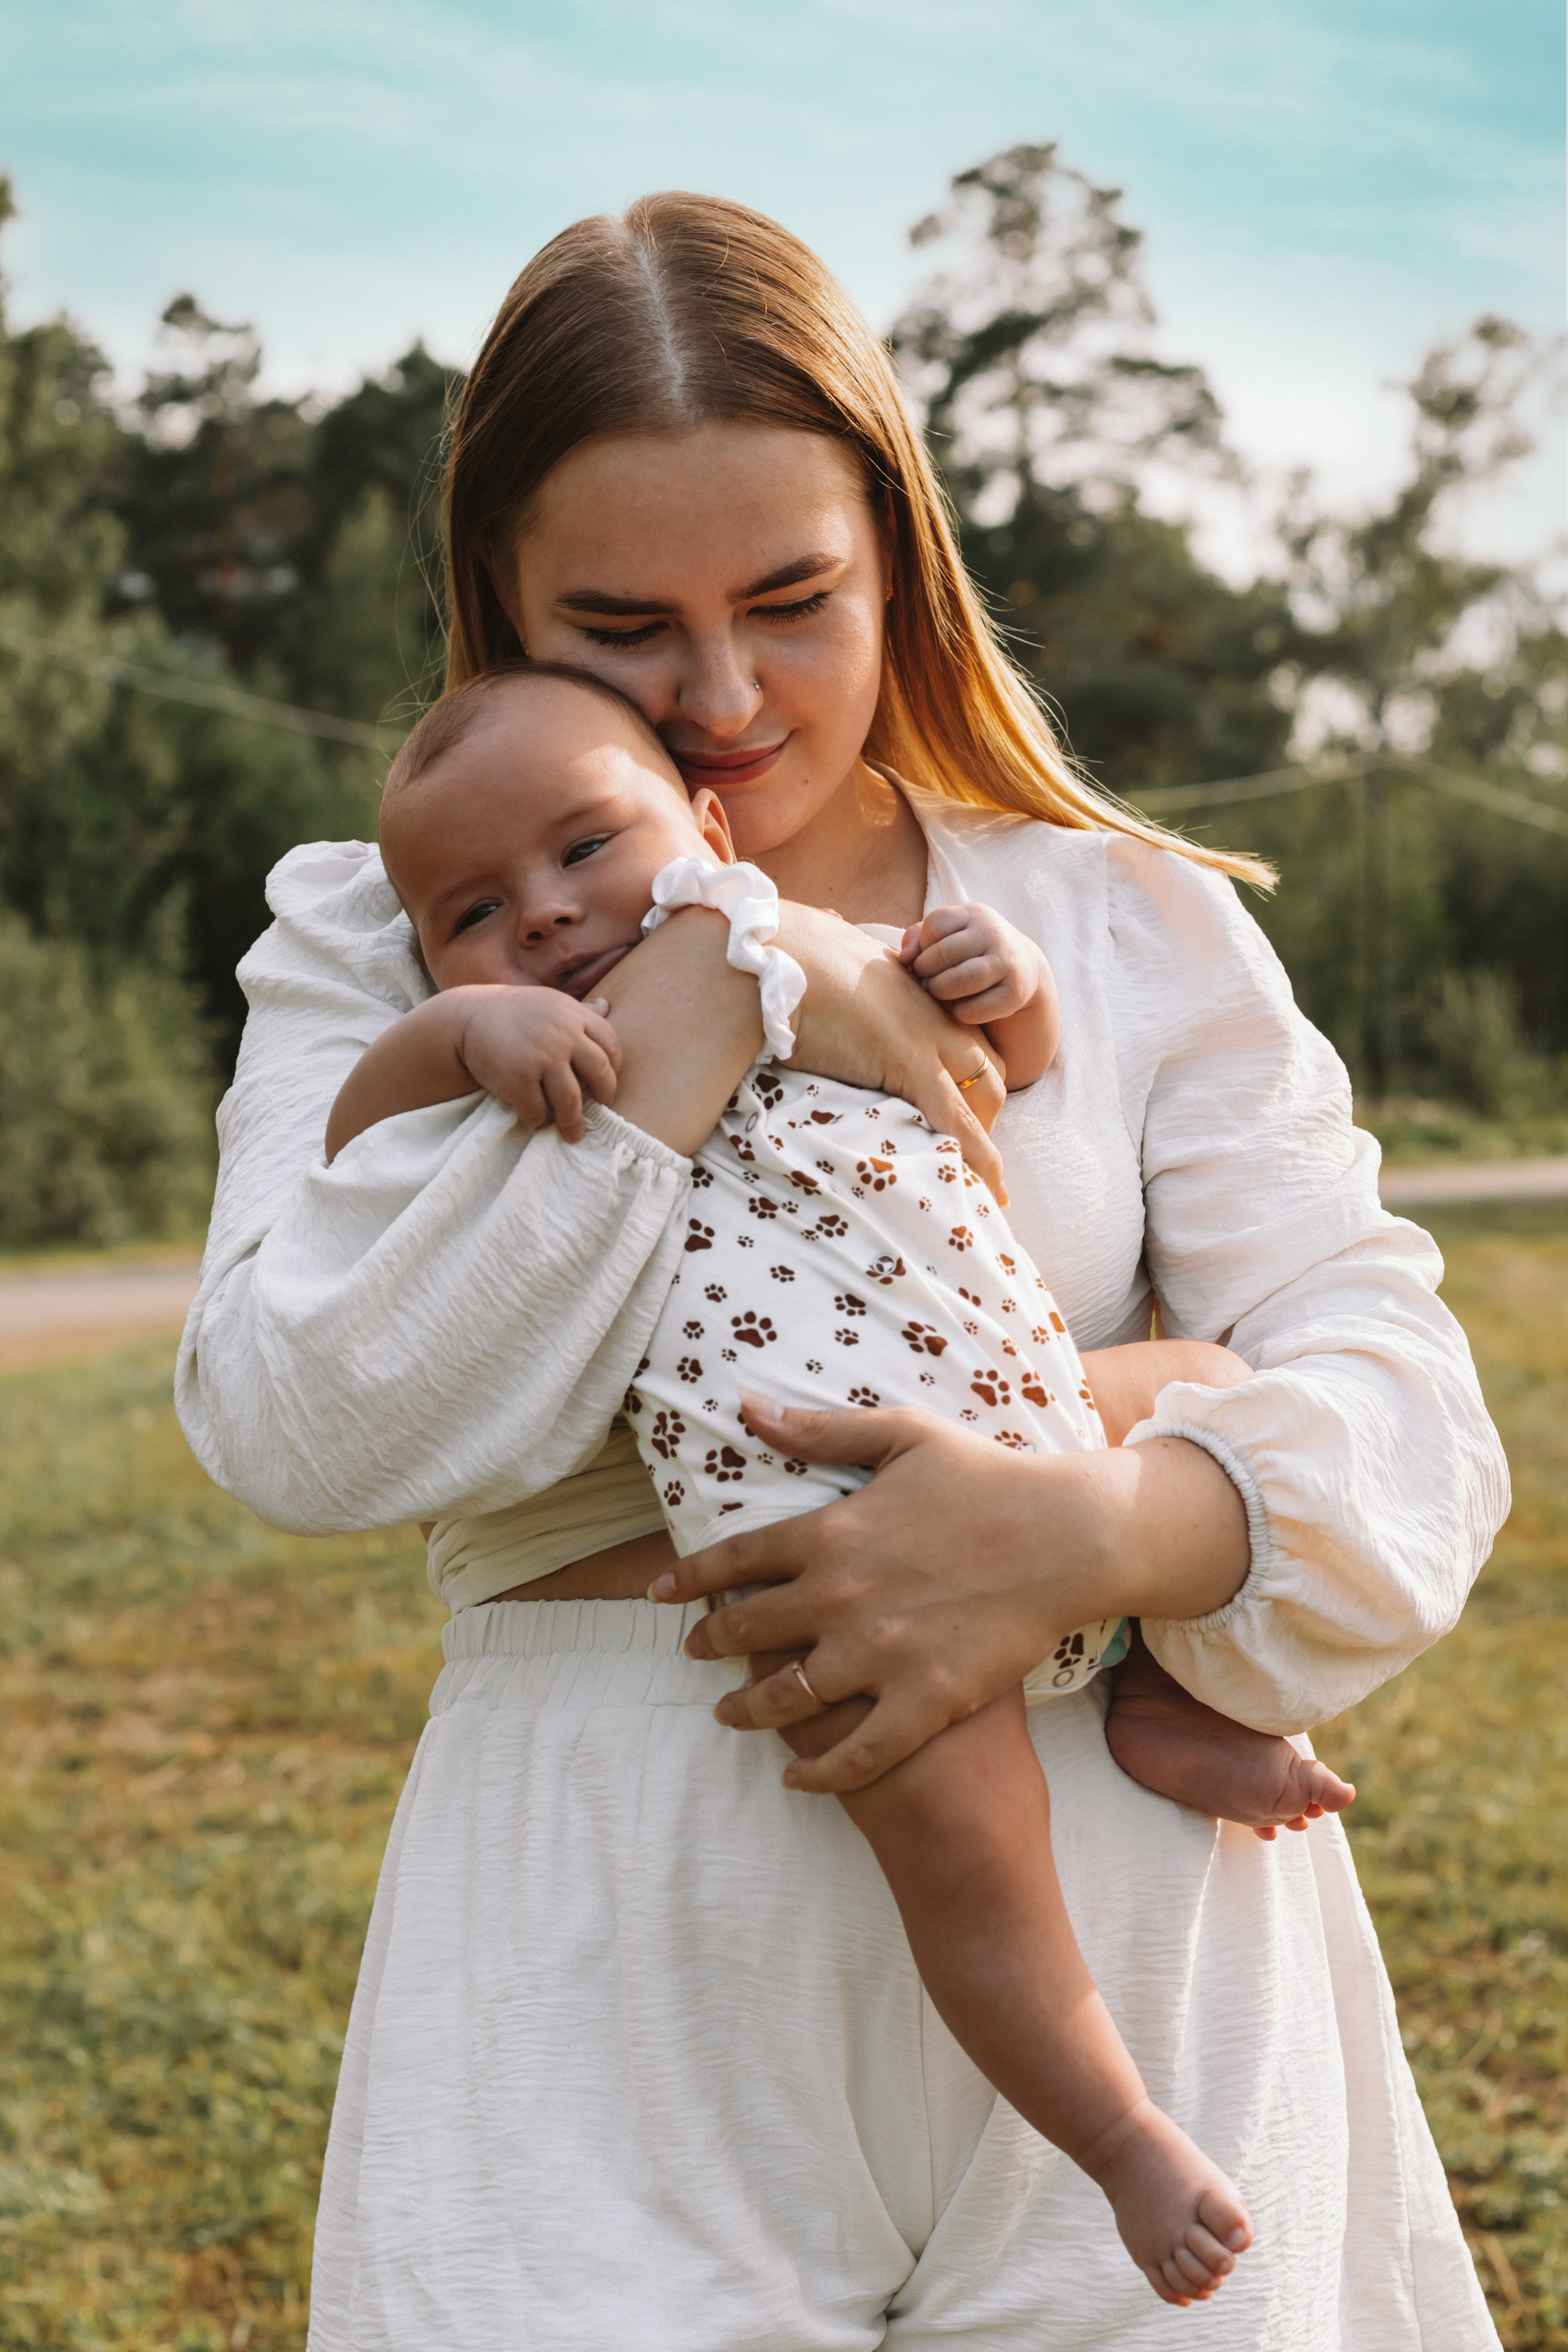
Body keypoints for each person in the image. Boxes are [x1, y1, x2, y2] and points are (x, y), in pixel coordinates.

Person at [177, 192, 1510, 2348]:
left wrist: (1092, 1524)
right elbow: (300, 1415)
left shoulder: (1123, 922)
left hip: (1137, 1927)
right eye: (618, 629)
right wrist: (739, 983)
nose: (720, 701)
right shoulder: (381, 938)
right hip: (609, 1950)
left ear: (902, 559)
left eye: (795, 600)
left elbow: (1411, 1424)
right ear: (496, 603)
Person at [331, 657, 1363, 2301]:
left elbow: (1009, 1057)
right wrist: (460, 1035)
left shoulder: (802, 955)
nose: (541, 916)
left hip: (1023, 1410)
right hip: (821, 1513)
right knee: (969, 1853)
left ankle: (1172, 1696)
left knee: (1222, 1400)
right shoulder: (539, 1052)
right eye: (471, 913)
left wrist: (1003, 973)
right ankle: (1117, 2135)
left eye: (588, 849)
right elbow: (349, 1136)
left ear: (708, 824)